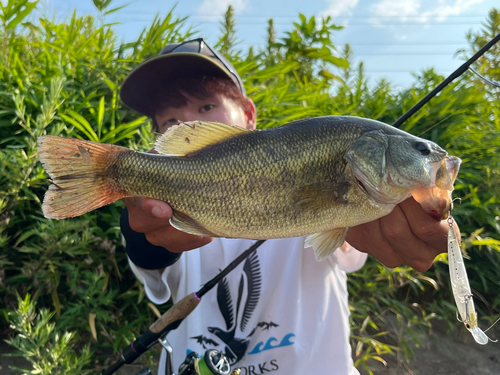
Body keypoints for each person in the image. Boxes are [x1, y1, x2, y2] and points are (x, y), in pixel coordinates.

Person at [119, 38, 455, 375]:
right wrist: (142, 232)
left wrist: (382, 215)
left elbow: (350, 242)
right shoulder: (173, 211)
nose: (191, 125)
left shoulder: (350, 189)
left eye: (207, 107)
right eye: (171, 122)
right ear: (161, 141)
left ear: (249, 114)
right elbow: (153, 263)